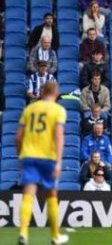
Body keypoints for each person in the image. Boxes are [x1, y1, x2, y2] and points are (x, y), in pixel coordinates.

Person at [15, 82, 69, 245]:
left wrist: (20, 156)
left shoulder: (29, 109)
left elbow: (18, 136)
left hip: (29, 155)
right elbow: (59, 136)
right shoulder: (58, 110)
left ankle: (23, 233)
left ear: (42, 91)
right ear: (56, 93)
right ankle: (55, 236)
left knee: (28, 195)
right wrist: (59, 161)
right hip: (48, 157)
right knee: (51, 195)